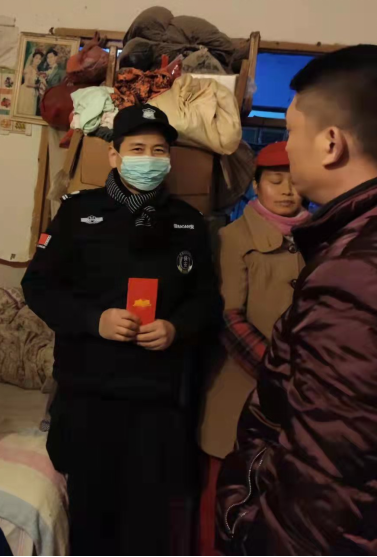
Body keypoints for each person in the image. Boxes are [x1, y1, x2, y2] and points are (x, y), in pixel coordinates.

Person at [22, 104, 222, 556]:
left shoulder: (188, 222)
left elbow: (207, 300)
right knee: (91, 519)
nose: (148, 159)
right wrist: (94, 320)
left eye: (159, 150)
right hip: (90, 394)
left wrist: (176, 327)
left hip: (158, 399)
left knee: (148, 524)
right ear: (114, 155)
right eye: (137, 149)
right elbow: (37, 287)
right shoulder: (78, 213)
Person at [217, 45, 377, 555]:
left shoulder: (353, 274)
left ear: (330, 143)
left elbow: (325, 493)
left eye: (290, 131)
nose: (287, 148)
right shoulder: (347, 244)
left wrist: (244, 524)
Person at [197, 142, 309, 554]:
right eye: (275, 181)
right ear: (256, 186)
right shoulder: (232, 238)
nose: (287, 191)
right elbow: (229, 318)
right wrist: (278, 370)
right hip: (240, 388)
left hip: (301, 395)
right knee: (224, 493)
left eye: (295, 182)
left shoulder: (320, 237)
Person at [17, 49, 43, 117]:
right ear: (33, 58)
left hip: (33, 92)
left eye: (40, 59)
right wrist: (37, 85)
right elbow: (27, 83)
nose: (38, 60)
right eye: (36, 58)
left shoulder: (37, 70)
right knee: (26, 110)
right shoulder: (29, 68)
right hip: (26, 92)